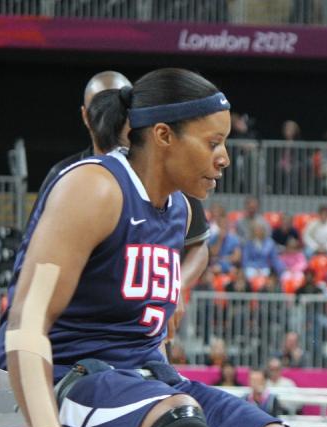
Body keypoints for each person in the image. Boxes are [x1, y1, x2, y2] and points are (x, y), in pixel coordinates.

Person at [0, 68, 294, 427]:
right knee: (179, 422)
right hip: (62, 377)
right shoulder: (94, 188)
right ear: (164, 135)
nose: (225, 159)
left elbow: (148, 325)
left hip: (142, 377)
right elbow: (25, 322)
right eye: (214, 143)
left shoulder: (180, 208)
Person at [34, 70, 211, 342]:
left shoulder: (165, 176)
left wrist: (174, 287)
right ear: (85, 115)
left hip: (141, 334)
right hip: (81, 332)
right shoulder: (67, 177)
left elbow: (198, 247)